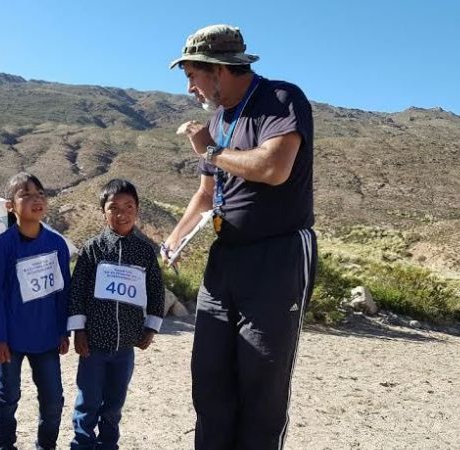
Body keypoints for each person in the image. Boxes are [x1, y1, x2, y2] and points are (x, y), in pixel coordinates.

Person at [165, 24, 317, 449]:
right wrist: (175, 238)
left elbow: (273, 168)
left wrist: (211, 150)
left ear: (218, 69)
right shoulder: (217, 119)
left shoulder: (280, 99)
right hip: (226, 256)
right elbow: (206, 193)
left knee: (261, 381)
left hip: (278, 256)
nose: (190, 88)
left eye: (192, 75)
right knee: (210, 376)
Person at [67, 178, 165, 450]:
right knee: (87, 401)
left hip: (126, 347)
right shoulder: (93, 248)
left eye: (128, 206)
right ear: (103, 212)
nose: (122, 213)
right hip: (93, 346)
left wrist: (151, 328)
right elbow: (77, 290)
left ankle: (109, 445)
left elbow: (156, 290)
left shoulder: (145, 251)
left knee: (114, 404)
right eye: (114, 207)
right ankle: (82, 445)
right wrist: (79, 331)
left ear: (137, 209)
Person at [0, 172, 70, 450]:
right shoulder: (1, 246)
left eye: (40, 194)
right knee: (7, 398)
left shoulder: (57, 244)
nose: (36, 200)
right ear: (10, 205)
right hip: (10, 340)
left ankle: (46, 446)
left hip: (47, 338)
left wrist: (63, 331)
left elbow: (63, 291)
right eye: (26, 195)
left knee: (53, 399)